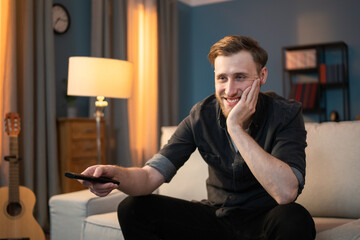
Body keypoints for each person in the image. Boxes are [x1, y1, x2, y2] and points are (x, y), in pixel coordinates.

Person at [80, 35, 316, 240]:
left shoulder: (286, 113)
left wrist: (235, 128)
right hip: (217, 219)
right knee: (134, 208)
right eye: (222, 78)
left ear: (262, 76)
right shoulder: (201, 115)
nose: (230, 90)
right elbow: (150, 176)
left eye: (240, 77)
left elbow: (286, 193)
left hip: (265, 220)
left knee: (295, 219)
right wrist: (115, 174)